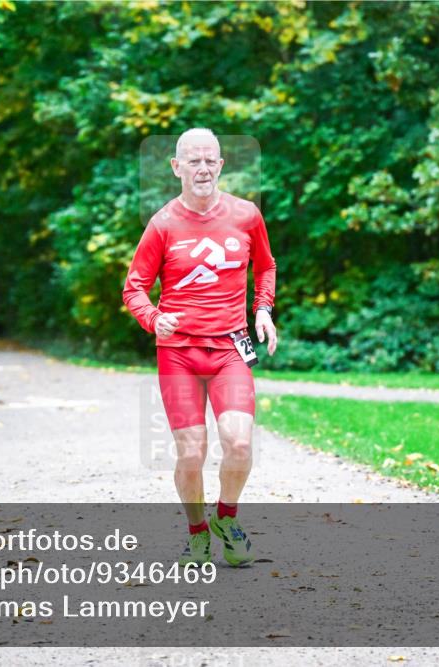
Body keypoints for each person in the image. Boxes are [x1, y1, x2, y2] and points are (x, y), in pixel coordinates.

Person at [123, 128, 278, 567]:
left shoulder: (246, 215)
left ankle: (226, 519)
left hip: (230, 348)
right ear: (176, 167)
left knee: (239, 444)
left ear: (222, 164)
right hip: (178, 353)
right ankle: (196, 534)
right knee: (191, 452)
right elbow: (134, 288)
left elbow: (265, 266)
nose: (203, 168)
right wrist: (154, 318)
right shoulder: (163, 223)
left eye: (211, 160)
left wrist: (263, 310)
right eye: (193, 161)